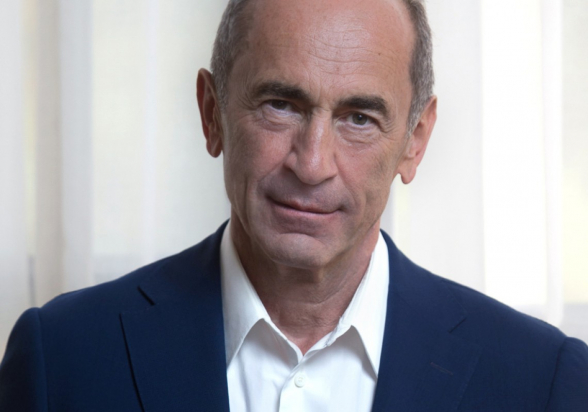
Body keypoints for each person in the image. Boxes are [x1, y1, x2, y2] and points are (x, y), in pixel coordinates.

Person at [1, 0, 587, 410]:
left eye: (359, 118)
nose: (312, 164)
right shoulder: (62, 359)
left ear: (415, 140)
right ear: (212, 113)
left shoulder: (543, 383)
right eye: (280, 105)